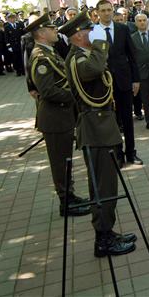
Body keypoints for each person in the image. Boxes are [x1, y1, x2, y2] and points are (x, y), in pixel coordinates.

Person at [61, 11, 137, 257]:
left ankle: (107, 232)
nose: (93, 34)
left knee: (106, 184)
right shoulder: (77, 59)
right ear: (79, 36)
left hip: (102, 126)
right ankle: (103, 239)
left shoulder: (85, 54)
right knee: (103, 187)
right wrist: (101, 43)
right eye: (89, 31)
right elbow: (95, 68)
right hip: (95, 129)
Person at [26, 13, 91, 217]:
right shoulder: (40, 57)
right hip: (54, 118)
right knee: (60, 162)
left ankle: (70, 196)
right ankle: (66, 202)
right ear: (42, 33)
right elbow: (48, 91)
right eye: (52, 29)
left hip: (62, 116)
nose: (56, 31)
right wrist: (75, 94)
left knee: (66, 160)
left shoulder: (50, 53)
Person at [92, 0, 142, 166]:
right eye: (103, 10)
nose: (107, 13)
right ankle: (117, 154)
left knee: (128, 119)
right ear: (97, 12)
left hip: (124, 80)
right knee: (113, 121)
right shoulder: (93, 31)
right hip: (104, 83)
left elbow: (133, 55)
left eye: (109, 10)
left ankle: (131, 153)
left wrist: (136, 79)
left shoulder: (122, 28)